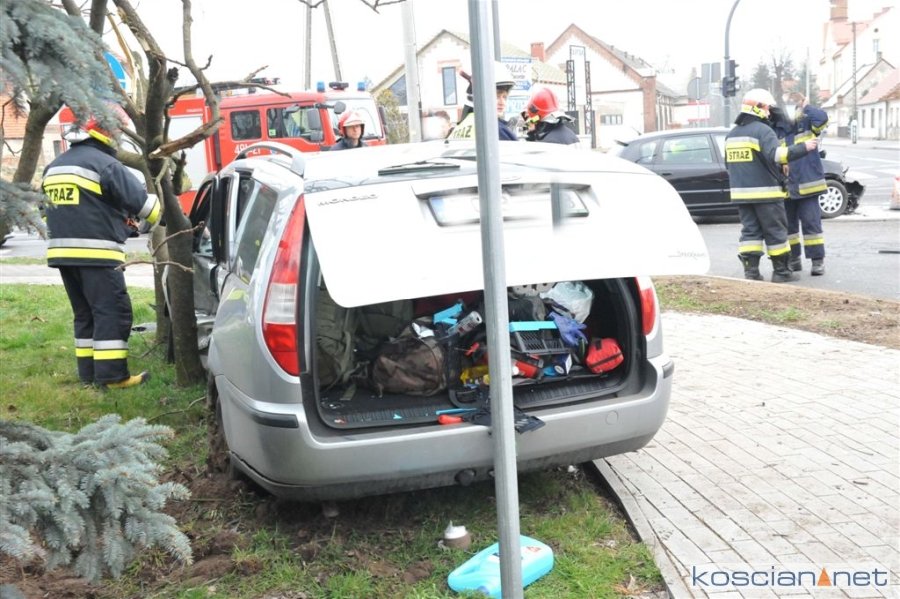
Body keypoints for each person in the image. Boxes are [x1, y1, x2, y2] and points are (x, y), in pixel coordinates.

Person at [42, 112, 161, 388]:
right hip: (98, 255)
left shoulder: (54, 167)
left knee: (85, 314)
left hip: (62, 255)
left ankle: (89, 375)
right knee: (112, 312)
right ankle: (113, 377)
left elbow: (48, 211)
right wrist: (164, 209)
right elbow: (148, 208)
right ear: (107, 133)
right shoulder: (105, 165)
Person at [724, 88, 817, 283]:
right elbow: (777, 155)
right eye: (767, 108)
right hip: (766, 194)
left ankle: (751, 273)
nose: (769, 112)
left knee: (750, 233)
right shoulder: (763, 130)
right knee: (776, 232)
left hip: (741, 195)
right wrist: (804, 147)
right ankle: (781, 272)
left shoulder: (731, 135)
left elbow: (728, 165)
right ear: (758, 108)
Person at [772, 93, 829, 276]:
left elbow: (822, 119)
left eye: (795, 104)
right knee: (789, 227)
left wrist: (807, 107)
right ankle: (794, 259)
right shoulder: (776, 128)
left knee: (811, 224)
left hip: (808, 183)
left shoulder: (807, 121)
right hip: (787, 186)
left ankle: (817, 261)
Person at [447, 61, 517, 141]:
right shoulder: (495, 129)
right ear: (478, 96)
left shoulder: (459, 128)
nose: (502, 102)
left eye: (504, 97)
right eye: (496, 97)